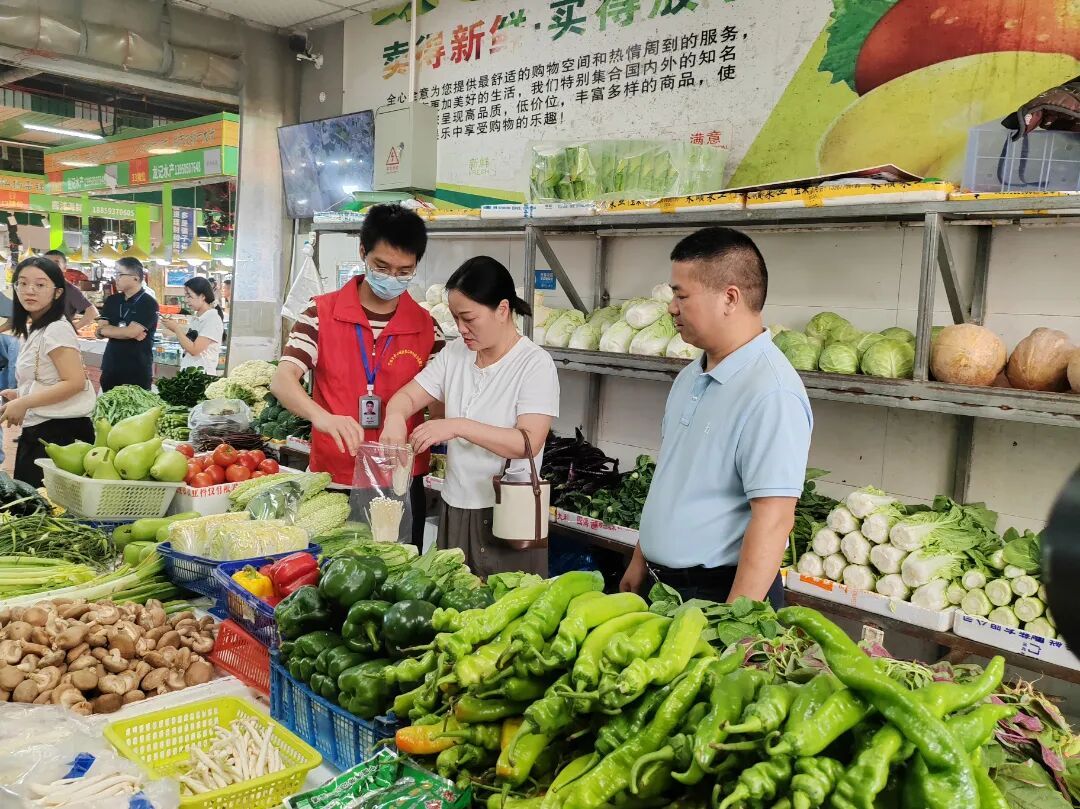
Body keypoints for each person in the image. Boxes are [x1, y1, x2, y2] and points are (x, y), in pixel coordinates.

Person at [619, 227, 812, 610]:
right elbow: (673, 480)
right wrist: (640, 562)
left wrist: (734, 622)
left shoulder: (771, 392)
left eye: (681, 295)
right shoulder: (691, 375)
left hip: (717, 596)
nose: (672, 308)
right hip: (663, 586)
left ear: (729, 298)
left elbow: (774, 521)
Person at [271, 204, 441, 550]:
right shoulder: (320, 313)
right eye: (382, 267)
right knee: (330, 572)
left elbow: (438, 404)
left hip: (400, 483)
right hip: (334, 479)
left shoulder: (427, 327)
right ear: (362, 252)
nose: (392, 278)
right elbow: (282, 379)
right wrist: (321, 417)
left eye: (404, 271)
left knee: (400, 572)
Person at [381, 256, 560, 578]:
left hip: (507, 513)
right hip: (455, 505)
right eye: (455, 318)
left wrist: (457, 426)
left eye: (469, 318)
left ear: (502, 310)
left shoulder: (534, 364)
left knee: (504, 602)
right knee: (453, 599)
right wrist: (395, 417)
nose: (461, 329)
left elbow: (528, 442)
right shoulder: (455, 354)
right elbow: (406, 397)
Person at [0, 256, 95, 486]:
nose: (29, 290)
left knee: (42, 503)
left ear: (58, 292)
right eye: (22, 283)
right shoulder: (38, 327)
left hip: (60, 434)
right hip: (43, 429)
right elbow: (50, 377)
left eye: (40, 284)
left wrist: (25, 402)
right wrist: (21, 394)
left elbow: (75, 382)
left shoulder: (56, 329)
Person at [96, 257, 159, 392]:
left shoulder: (148, 303)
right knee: (108, 404)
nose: (116, 278)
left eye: (120, 274)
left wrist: (113, 331)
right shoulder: (112, 300)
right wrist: (125, 332)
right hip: (111, 367)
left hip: (137, 370)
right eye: (115, 273)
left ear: (135, 278)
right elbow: (99, 331)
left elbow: (131, 332)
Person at [159, 277, 224, 376]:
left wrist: (176, 329)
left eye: (189, 296)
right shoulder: (196, 317)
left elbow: (194, 350)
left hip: (201, 376)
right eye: (185, 296)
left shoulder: (212, 319)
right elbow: (187, 346)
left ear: (202, 296)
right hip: (188, 374)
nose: (186, 300)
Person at [43, 250, 99, 332]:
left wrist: (72, 329)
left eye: (56, 263)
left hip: (58, 335)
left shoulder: (70, 290)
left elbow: (92, 312)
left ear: (64, 268)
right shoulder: (38, 286)